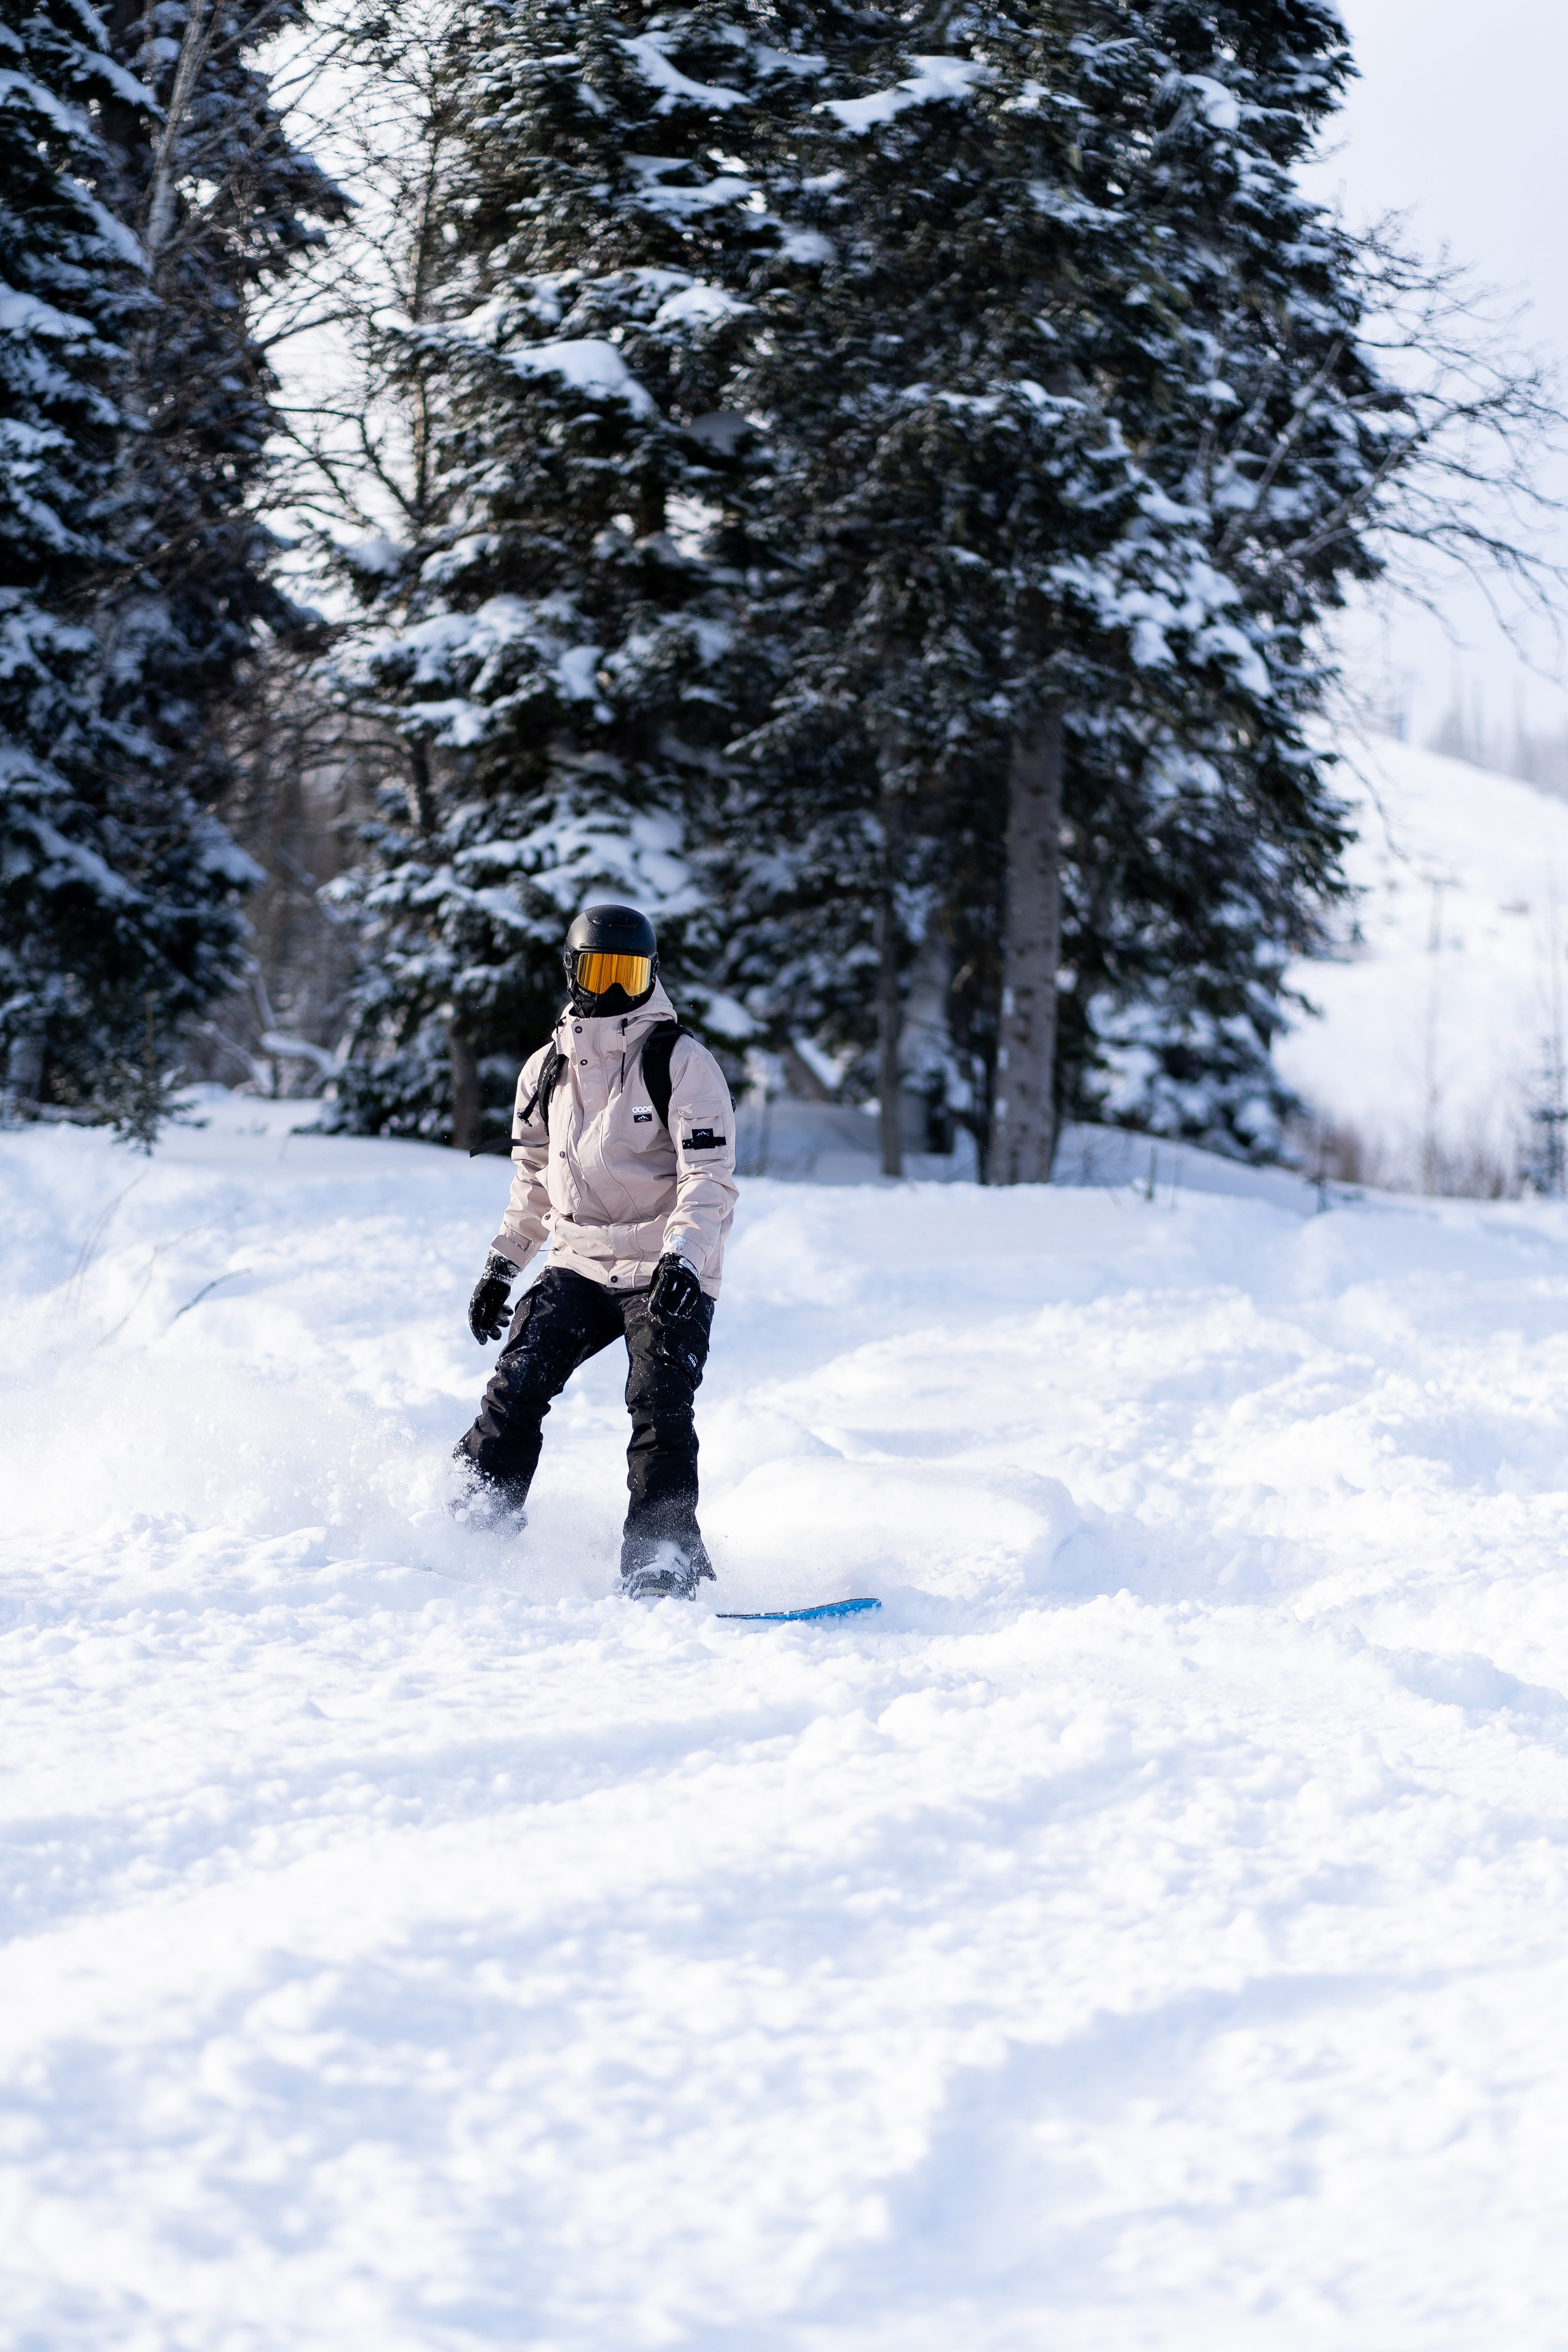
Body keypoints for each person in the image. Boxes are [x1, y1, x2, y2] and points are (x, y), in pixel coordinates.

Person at [454, 904, 739, 1599]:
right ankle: (469, 1526)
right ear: (573, 971)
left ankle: (663, 1555)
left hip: (663, 1264)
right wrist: (503, 1263)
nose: (613, 989)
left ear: (649, 975)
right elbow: (532, 1180)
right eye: (599, 972)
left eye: (629, 973)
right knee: (518, 1383)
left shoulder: (680, 1062)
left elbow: (709, 1179)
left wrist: (683, 1257)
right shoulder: (546, 1069)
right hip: (578, 1260)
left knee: (659, 1401)